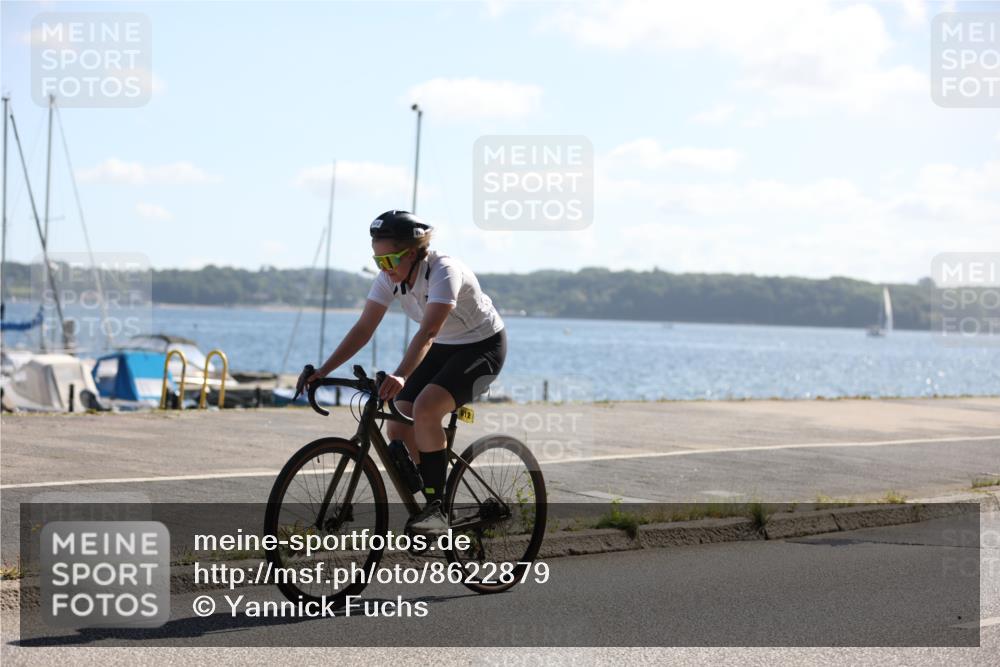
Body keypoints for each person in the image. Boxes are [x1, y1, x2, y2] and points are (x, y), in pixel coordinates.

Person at [304, 210, 506, 535]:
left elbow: (426, 333)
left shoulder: (444, 272)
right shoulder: (390, 276)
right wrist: (323, 370)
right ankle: (429, 497)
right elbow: (364, 328)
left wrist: (400, 374)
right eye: (378, 261)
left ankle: (437, 510)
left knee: (426, 410)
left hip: (480, 348)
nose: (384, 269)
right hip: (441, 347)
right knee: (397, 427)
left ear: (412, 253)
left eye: (389, 261)